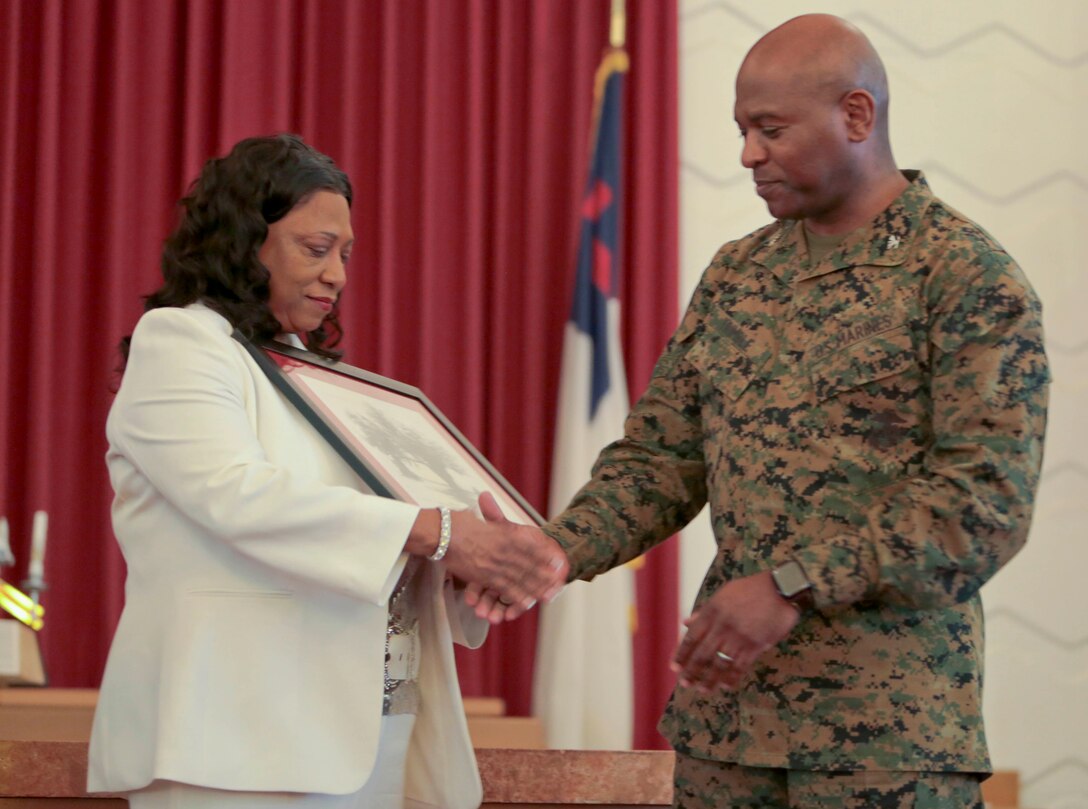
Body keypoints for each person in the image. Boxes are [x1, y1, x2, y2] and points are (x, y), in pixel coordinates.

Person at [478, 13, 1050, 808]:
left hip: (886, 745)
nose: (749, 153)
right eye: (743, 129)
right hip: (728, 735)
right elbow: (661, 459)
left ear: (856, 115)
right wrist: (559, 550)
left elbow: (984, 503)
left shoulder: (963, 276)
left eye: (770, 129)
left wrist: (792, 584)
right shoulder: (737, 274)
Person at [87, 133, 567, 809]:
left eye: (344, 252)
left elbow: (390, 536)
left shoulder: (319, 378)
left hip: (371, 734)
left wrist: (466, 566)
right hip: (235, 739)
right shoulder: (182, 342)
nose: (338, 274)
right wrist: (439, 531)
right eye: (316, 249)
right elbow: (238, 495)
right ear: (243, 241)